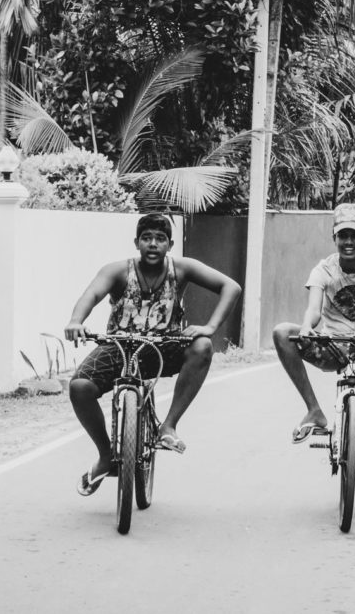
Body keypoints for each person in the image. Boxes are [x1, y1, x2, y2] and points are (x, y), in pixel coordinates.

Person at [64, 213, 242, 497]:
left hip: (165, 346)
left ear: (170, 244)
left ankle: (168, 426)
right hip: (119, 346)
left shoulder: (182, 268)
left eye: (160, 239)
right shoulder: (117, 271)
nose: (153, 244)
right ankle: (106, 456)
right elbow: (92, 294)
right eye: (147, 238)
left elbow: (230, 287)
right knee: (79, 387)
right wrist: (76, 320)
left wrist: (210, 327)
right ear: (137, 242)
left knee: (203, 346)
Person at [272, 203, 355, 516]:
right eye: (343, 236)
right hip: (331, 346)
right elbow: (313, 306)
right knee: (283, 332)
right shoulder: (324, 268)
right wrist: (308, 328)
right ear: (334, 238)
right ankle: (314, 411)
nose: (349, 241)